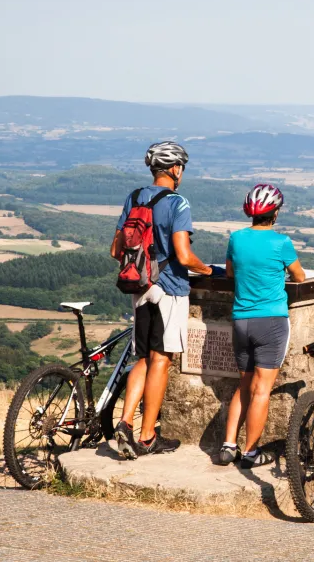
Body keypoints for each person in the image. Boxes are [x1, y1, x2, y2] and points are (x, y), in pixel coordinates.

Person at [110, 141, 213, 459]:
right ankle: (147, 436)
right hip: (170, 290)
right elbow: (183, 254)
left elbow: (116, 250)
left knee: (142, 358)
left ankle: (125, 422)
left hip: (140, 288)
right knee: (161, 361)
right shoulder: (178, 203)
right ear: (176, 169)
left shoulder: (135, 197)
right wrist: (205, 269)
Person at [218, 183, 306, 469]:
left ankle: (228, 446)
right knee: (261, 391)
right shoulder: (282, 243)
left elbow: (230, 272)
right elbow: (300, 277)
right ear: (275, 213)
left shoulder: (237, 239)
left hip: (240, 321)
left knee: (243, 385)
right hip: (271, 322)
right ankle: (252, 452)